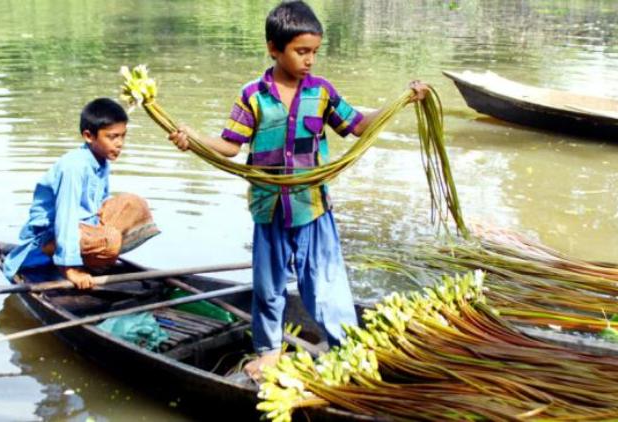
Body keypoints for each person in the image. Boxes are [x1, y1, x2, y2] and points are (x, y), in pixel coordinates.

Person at [168, 0, 427, 378]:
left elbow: (356, 125)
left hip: (312, 206)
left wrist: (400, 102)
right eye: (301, 51)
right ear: (274, 48)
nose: (309, 60)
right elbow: (231, 146)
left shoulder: (321, 93)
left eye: (314, 52)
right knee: (268, 285)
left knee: (326, 286)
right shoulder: (253, 95)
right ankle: (269, 350)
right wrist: (193, 139)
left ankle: (345, 348)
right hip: (269, 206)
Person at [3, 98, 159, 289]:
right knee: (109, 240)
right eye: (112, 137)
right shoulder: (73, 167)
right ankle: (59, 255)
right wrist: (70, 268)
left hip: (83, 228)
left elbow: (101, 205)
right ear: (88, 136)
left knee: (134, 205)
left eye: (122, 136)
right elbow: (65, 218)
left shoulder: (101, 161)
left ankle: (94, 256)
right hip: (47, 238)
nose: (120, 143)